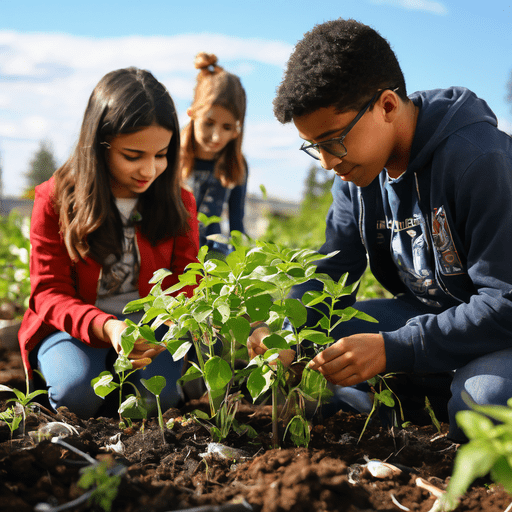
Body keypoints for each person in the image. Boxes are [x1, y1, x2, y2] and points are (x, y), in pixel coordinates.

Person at [249, 18, 512, 442]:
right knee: (316, 341)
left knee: (482, 404)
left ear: (387, 106)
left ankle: (431, 394)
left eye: (333, 141)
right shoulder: (357, 176)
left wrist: (396, 349)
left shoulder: (479, 160)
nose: (327, 162)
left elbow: (505, 301)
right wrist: (282, 333)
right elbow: (333, 268)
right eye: (315, 147)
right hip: (431, 320)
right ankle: (402, 396)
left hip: (499, 332)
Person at [18, 67, 200, 419]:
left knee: (153, 403)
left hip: (151, 333)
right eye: (133, 156)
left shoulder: (180, 202)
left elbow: (187, 280)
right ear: (100, 145)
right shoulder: (55, 199)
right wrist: (110, 327)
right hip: (75, 329)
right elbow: (48, 293)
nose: (149, 169)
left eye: (161, 155)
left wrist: (158, 328)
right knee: (78, 394)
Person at [180, 52, 248, 255]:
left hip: (213, 258)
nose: (216, 136)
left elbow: (237, 224)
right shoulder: (169, 155)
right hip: (172, 254)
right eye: (209, 123)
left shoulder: (236, 165)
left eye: (227, 127)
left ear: (237, 129)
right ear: (192, 113)